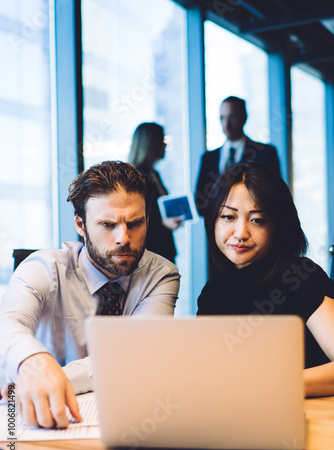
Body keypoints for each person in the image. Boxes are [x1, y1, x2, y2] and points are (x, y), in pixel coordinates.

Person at [0, 160, 180, 428]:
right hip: (38, 422)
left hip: (128, 420)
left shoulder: (161, 274)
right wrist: (31, 361)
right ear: (80, 226)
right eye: (108, 225)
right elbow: (7, 323)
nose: (124, 238)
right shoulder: (42, 268)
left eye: (135, 223)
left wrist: (52, 379)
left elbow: (136, 354)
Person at [197, 162, 334, 398]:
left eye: (257, 220)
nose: (240, 233)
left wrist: (272, 384)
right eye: (228, 216)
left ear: (278, 226)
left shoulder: (299, 276)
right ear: (213, 222)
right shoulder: (212, 294)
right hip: (239, 419)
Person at [195, 96, 280, 217]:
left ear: (244, 118)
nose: (226, 124)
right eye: (222, 118)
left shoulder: (266, 153)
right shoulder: (208, 158)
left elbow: (275, 197)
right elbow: (200, 204)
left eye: (232, 117)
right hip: (218, 232)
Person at [128, 122, 183, 264]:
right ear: (151, 144)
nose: (165, 146)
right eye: (162, 141)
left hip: (163, 249)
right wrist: (163, 225)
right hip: (150, 253)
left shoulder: (154, 173)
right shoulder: (135, 178)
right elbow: (132, 222)